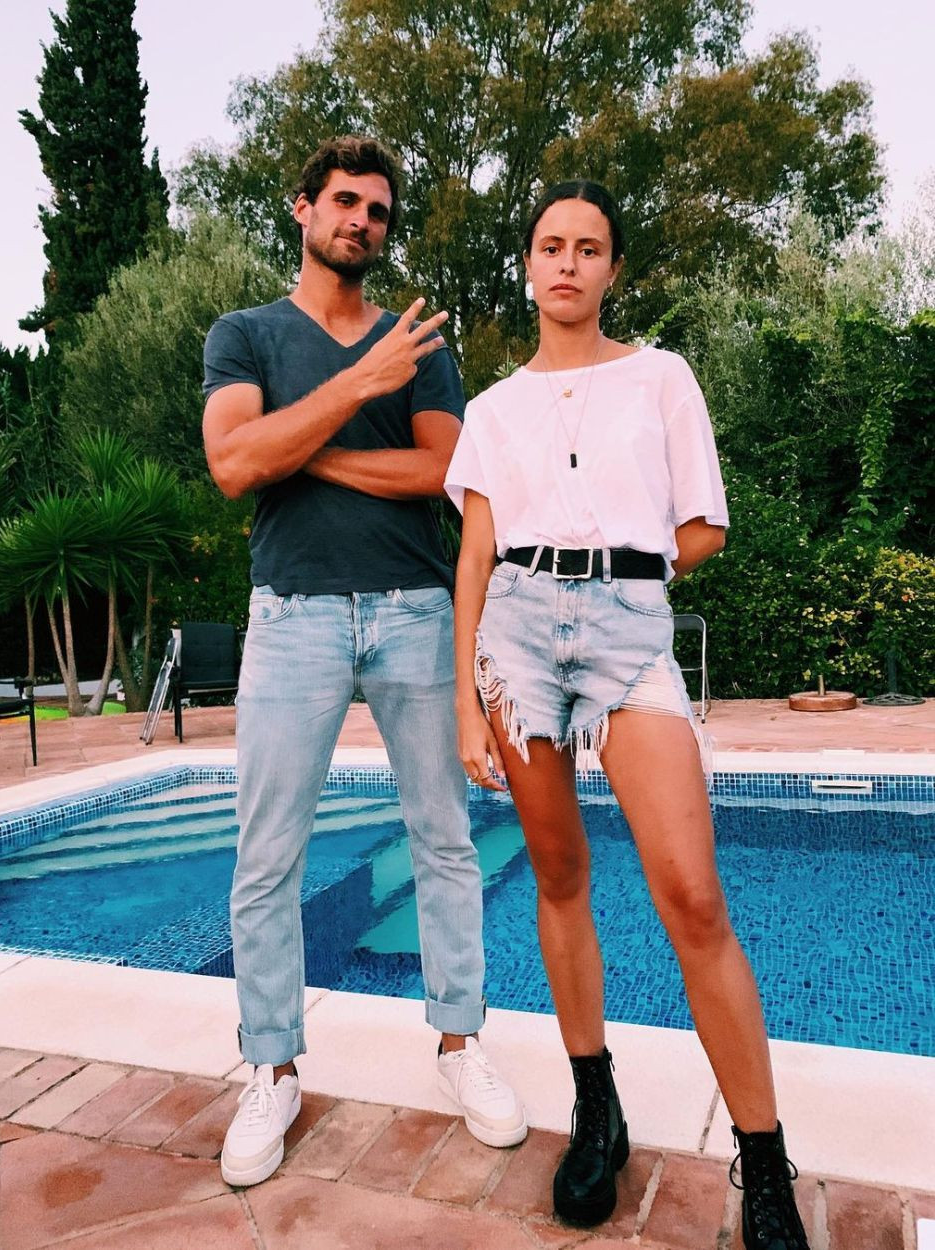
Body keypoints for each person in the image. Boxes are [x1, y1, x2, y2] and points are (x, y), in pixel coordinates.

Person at [445, 180, 809, 1249]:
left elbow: (703, 527)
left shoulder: (661, 377)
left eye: (589, 247)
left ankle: (765, 1161)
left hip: (625, 633)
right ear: (527, 264)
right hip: (513, 640)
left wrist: (619, 585)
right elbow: (475, 555)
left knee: (693, 895)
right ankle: (595, 1105)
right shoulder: (490, 411)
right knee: (558, 874)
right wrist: (467, 698)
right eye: (550, 245)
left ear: (611, 267)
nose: (567, 262)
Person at [201, 135, 526, 1189]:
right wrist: (354, 389)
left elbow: (444, 470)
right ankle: (271, 1068)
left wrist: (305, 450)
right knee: (267, 856)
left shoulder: (416, 340)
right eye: (345, 201)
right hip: (291, 615)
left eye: (378, 210)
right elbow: (233, 462)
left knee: (445, 839)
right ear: (302, 208)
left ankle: (460, 1043)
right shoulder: (245, 334)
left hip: (415, 612)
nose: (362, 222)